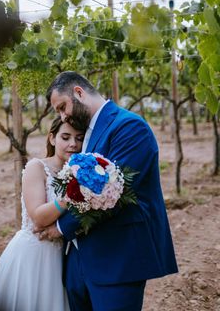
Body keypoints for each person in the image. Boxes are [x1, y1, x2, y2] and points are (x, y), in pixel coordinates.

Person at [38, 71, 178, 311]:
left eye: (62, 107)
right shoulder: (82, 134)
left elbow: (115, 194)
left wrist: (61, 227)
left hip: (118, 258)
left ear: (79, 93)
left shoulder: (130, 127)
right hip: (77, 259)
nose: (63, 116)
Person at [0, 116, 85, 311]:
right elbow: (39, 218)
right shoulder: (37, 167)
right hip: (32, 255)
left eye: (79, 138)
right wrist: (71, 196)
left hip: (59, 258)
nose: (73, 144)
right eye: (65, 137)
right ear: (52, 139)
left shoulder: (80, 171)